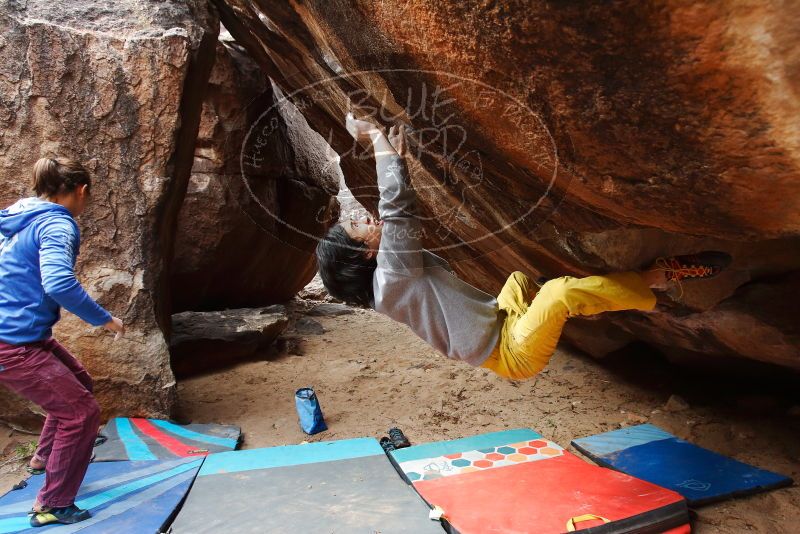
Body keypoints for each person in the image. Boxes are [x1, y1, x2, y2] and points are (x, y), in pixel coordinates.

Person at [316, 113, 730, 380]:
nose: (365, 219)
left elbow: (394, 218)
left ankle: (599, 294)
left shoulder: (390, 279)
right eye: (357, 227)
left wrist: (395, 158)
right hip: (512, 353)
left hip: (503, 316)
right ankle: (658, 283)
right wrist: (375, 142)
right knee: (558, 293)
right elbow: (399, 212)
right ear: (364, 255)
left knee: (521, 280)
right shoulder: (392, 282)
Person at [0, 157, 124, 527]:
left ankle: (45, 457)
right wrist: (106, 320)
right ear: (80, 191)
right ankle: (53, 503)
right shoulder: (57, 223)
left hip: (23, 337)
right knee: (82, 414)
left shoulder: (17, 214)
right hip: (13, 344)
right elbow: (58, 283)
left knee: (79, 383)